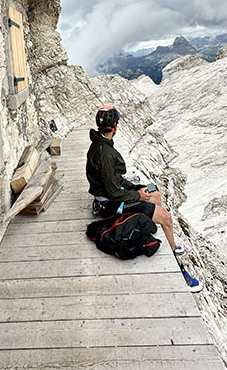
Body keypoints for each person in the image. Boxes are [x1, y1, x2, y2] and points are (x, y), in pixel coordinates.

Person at [86, 105, 203, 292]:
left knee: (155, 195)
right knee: (166, 218)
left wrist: (136, 188)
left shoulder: (99, 144)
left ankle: (152, 226)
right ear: (114, 126)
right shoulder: (105, 153)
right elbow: (113, 192)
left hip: (111, 197)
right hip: (111, 205)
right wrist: (138, 195)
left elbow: (113, 180)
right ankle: (177, 265)